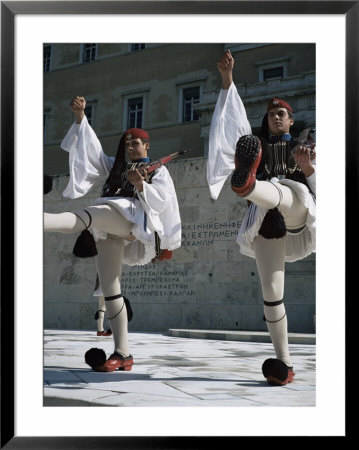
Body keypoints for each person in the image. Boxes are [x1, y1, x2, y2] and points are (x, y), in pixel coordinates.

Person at [44, 96, 181, 372]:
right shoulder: (115, 166)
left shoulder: (158, 171)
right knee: (110, 290)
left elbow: (164, 202)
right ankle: (123, 353)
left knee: (90, 214)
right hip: (110, 229)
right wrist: (81, 118)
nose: (131, 146)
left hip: (131, 222)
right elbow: (92, 154)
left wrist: (142, 185)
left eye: (136, 143)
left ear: (147, 146)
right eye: (128, 143)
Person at [207, 50, 316, 386]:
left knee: (281, 189)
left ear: (291, 120)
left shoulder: (308, 147)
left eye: (281, 114)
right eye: (271, 115)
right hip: (265, 220)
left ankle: (249, 184)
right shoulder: (259, 147)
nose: (275, 118)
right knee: (271, 292)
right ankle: (284, 363)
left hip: (298, 208)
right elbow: (236, 124)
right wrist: (227, 79)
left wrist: (310, 169)